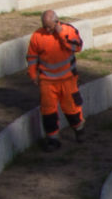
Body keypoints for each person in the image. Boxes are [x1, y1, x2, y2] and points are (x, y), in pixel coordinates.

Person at [26, 9, 85, 149]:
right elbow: (32, 57)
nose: (47, 29)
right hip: (47, 81)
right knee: (48, 111)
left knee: (72, 109)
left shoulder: (68, 30)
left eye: (49, 26)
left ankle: (79, 128)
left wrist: (61, 33)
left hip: (67, 80)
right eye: (44, 26)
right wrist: (33, 75)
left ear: (56, 22)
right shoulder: (37, 36)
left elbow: (77, 46)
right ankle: (53, 140)